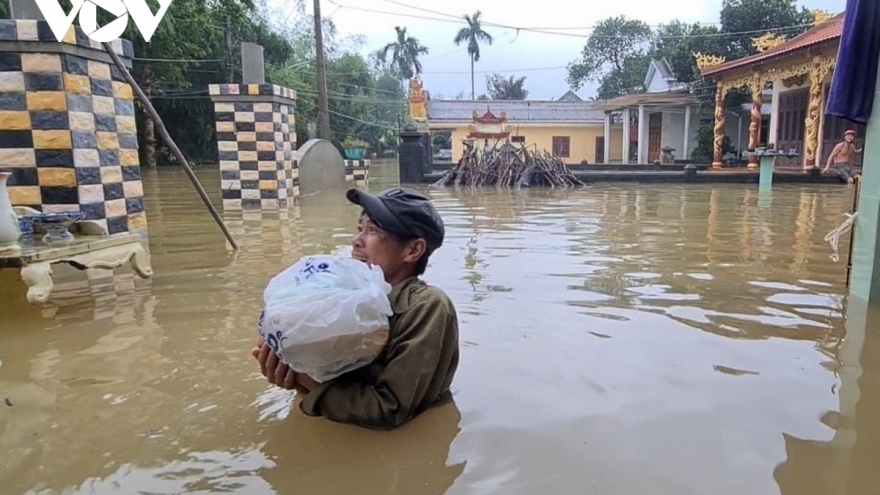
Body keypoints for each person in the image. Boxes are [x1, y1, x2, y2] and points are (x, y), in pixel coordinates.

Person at [251, 187, 460, 430]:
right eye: (359, 229)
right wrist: (290, 364)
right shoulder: (341, 298)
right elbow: (324, 374)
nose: (356, 241)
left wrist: (305, 381)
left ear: (413, 250)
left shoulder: (427, 306)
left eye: (373, 231)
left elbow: (389, 410)